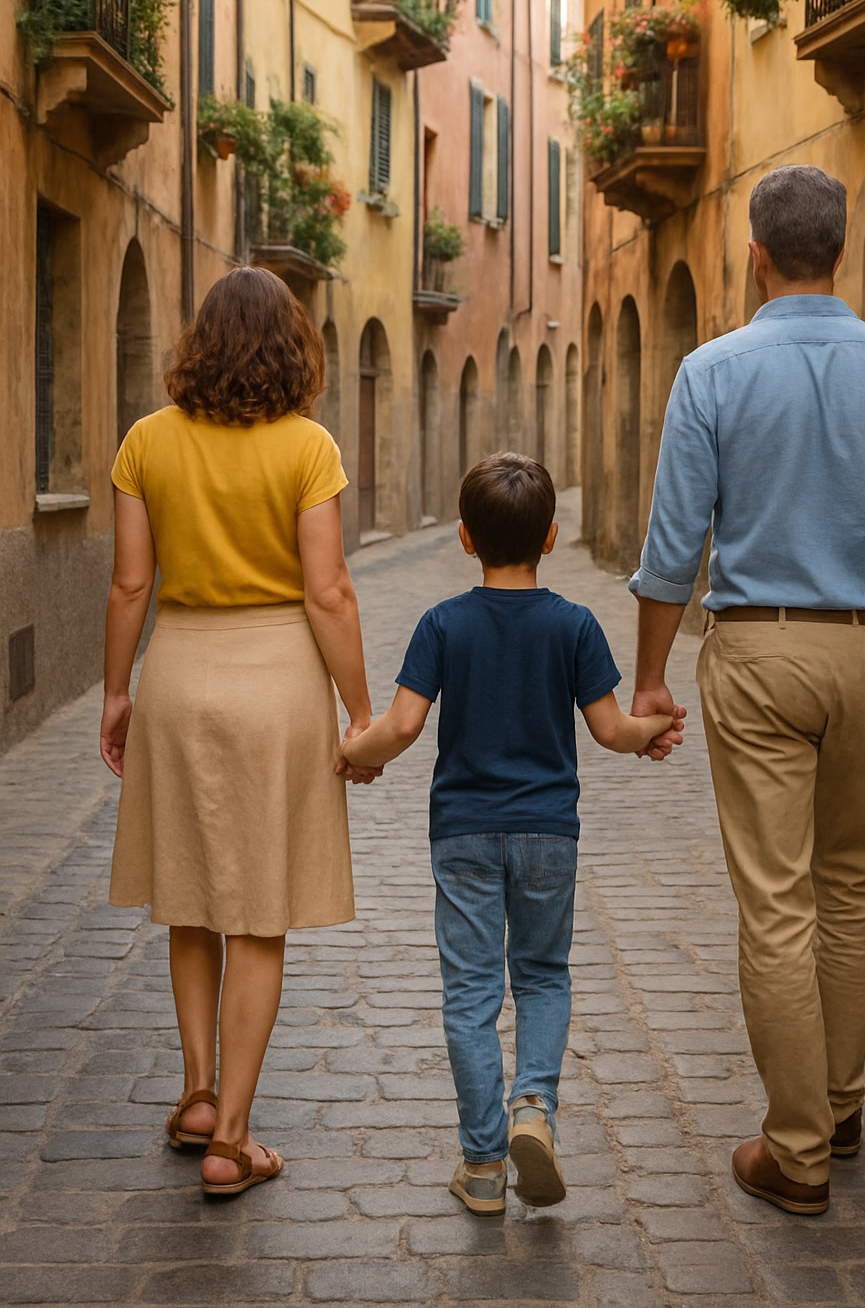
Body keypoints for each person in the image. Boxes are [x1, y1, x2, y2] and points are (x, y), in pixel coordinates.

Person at [629, 165, 865, 1216]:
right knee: (852, 885)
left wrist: (647, 678)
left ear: (756, 254)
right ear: (837, 250)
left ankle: (796, 1151)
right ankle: (841, 1099)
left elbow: (673, 545)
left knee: (776, 901)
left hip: (758, 651)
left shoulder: (711, 371)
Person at [342, 453, 684, 1216]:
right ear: (553, 536)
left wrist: (349, 751)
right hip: (546, 835)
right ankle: (534, 1104)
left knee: (470, 992)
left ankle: (484, 1164)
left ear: (464, 539)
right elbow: (610, 730)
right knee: (540, 976)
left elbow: (399, 727)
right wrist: (654, 730)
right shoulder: (574, 624)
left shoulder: (442, 623)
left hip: (462, 832)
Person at [101, 266, 376, 1199]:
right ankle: (237, 1138)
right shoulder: (308, 447)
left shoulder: (146, 442)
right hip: (277, 685)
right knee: (259, 908)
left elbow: (131, 584)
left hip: (177, 672)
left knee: (189, 894)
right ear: (291, 346)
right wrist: (361, 708)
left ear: (198, 344)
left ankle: (197, 1095)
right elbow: (328, 591)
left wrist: (115, 694)